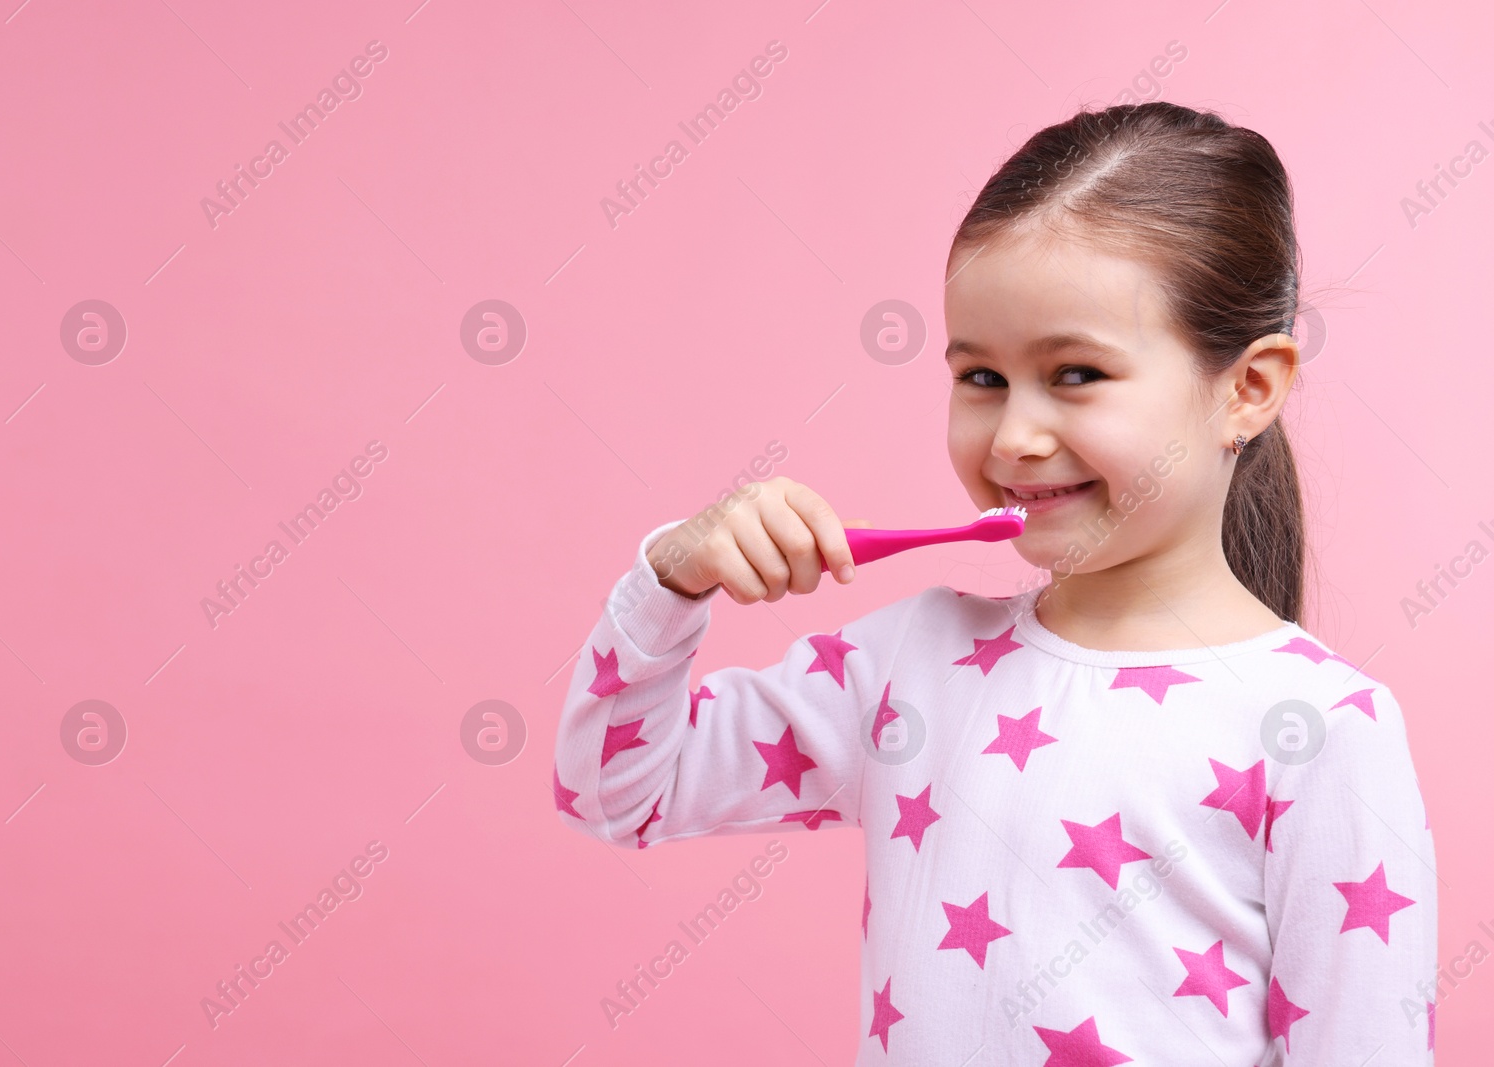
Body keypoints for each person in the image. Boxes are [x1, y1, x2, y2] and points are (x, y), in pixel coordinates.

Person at [552, 101, 1437, 1064]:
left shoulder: (1323, 726)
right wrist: (673, 579)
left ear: (1249, 388)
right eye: (980, 378)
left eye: (1077, 373)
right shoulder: (905, 665)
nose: (1014, 437)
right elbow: (615, 793)